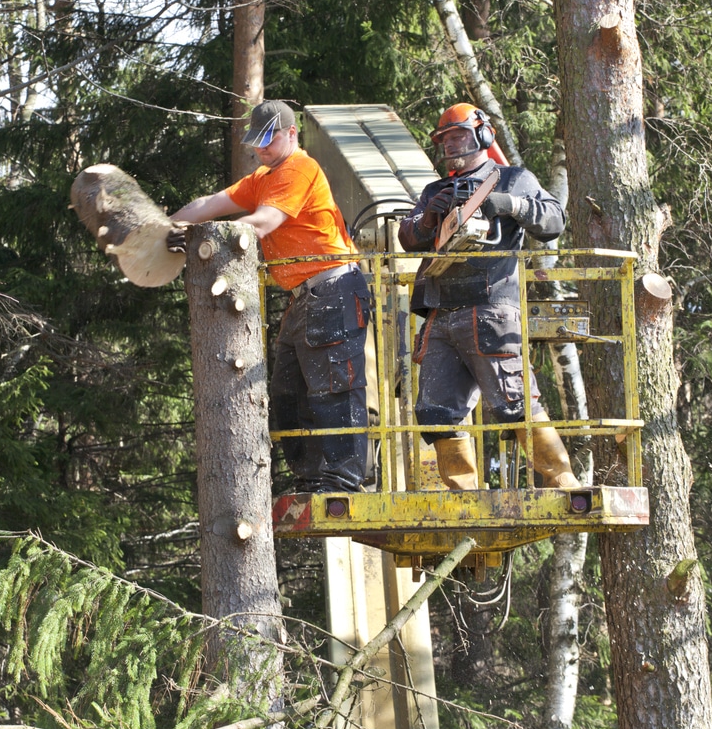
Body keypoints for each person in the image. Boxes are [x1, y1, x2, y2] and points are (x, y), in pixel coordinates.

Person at [168, 100, 371, 494]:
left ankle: (343, 479)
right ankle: (312, 477)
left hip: (334, 288)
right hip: (305, 296)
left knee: (334, 386)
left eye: (268, 139)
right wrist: (171, 226)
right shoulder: (263, 176)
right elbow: (209, 204)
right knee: (288, 392)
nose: (260, 148)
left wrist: (200, 238)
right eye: (256, 141)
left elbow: (264, 222)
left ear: (292, 134)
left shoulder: (300, 168)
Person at [399, 103, 580, 490]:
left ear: (483, 135)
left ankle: (561, 476)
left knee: (513, 401)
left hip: (491, 309)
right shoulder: (435, 190)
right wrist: (429, 217)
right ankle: (465, 495)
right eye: (446, 139)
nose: (451, 145)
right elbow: (408, 237)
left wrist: (511, 205)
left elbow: (554, 221)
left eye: (459, 136)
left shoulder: (512, 178)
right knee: (436, 412)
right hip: (440, 314)